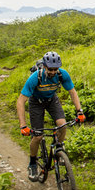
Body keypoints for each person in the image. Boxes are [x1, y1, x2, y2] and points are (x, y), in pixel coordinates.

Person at [17, 51, 85, 181]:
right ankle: (32, 163)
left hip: (52, 100)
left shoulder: (62, 74)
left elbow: (72, 92)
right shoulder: (35, 78)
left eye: (55, 69)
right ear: (44, 66)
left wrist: (79, 111)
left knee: (62, 125)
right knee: (38, 136)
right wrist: (23, 125)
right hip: (36, 102)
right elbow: (20, 101)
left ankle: (59, 149)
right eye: (50, 69)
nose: (53, 72)